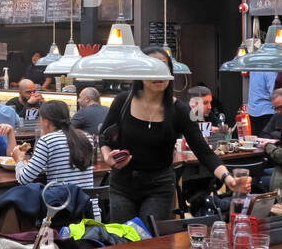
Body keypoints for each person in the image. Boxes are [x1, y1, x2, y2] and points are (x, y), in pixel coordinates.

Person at [99, 46, 246, 222]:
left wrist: (228, 179)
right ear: (140, 72)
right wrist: (108, 157)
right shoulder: (123, 101)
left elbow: (203, 151)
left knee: (149, 239)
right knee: (121, 239)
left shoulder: (179, 110)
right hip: (122, 185)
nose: (158, 74)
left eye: (163, 67)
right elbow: (104, 137)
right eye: (151, 67)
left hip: (158, 187)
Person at [15, 100, 96, 210]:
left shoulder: (48, 141)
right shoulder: (86, 137)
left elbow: (24, 179)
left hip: (63, 214)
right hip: (91, 212)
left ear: (46, 121)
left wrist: (19, 160)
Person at [246, 70, 277, 136]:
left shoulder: (253, 69)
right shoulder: (270, 71)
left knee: (255, 141)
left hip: (253, 110)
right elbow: (274, 93)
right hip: (267, 110)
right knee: (266, 140)